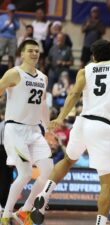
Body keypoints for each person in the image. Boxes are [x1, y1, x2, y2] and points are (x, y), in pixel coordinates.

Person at [30, 39, 110, 225]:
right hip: (102, 126)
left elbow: (74, 93)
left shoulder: (85, 70)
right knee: (107, 182)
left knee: (68, 160)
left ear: (94, 56)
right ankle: (100, 223)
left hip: (82, 123)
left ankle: (45, 194)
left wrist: (61, 118)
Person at [0, 39, 53, 225]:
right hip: (15, 129)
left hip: (34, 131)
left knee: (49, 172)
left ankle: (25, 210)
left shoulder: (43, 77)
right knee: (25, 174)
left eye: (37, 51)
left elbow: (43, 104)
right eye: (30, 51)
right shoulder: (14, 73)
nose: (34, 54)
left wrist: (48, 127)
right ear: (21, 54)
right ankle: (6, 215)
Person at [0, 3, 19, 68]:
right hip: (3, 37)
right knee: (0, 54)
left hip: (12, 38)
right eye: (11, 10)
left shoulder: (15, 18)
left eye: (13, 11)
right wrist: (8, 24)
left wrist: (13, 21)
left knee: (11, 55)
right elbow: (1, 29)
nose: (12, 12)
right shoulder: (2, 17)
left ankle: (9, 72)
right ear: (7, 10)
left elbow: (17, 28)